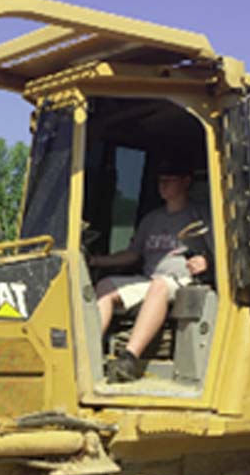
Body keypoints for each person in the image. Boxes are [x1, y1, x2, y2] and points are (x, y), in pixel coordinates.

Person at [88, 160, 210, 382]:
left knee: (159, 286)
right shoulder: (152, 219)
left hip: (183, 281)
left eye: (169, 180)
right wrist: (96, 261)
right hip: (149, 279)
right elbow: (133, 255)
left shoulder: (201, 216)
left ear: (186, 181)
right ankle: (87, 354)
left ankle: (129, 358)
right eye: (160, 180)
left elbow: (222, 252)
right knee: (105, 287)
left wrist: (206, 261)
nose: (162, 185)